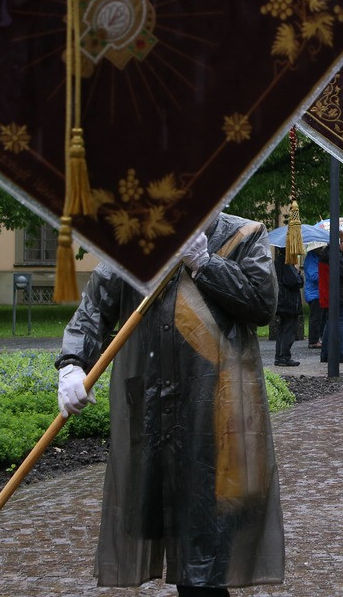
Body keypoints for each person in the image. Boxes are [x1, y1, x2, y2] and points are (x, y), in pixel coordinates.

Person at [55, 213, 283, 595]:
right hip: (154, 411)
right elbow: (95, 309)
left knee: (208, 550)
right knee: (176, 534)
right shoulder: (136, 241)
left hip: (216, 414)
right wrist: (73, 363)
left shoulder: (245, 234)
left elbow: (262, 304)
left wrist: (206, 263)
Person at [318, 234, 343, 364]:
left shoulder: (325, 255)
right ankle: (341, 353)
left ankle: (325, 353)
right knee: (341, 323)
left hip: (328, 293)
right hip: (340, 294)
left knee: (329, 323)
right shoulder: (335, 256)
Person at [274, 249, 303, 366]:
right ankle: (284, 356)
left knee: (283, 328)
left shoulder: (278, 261)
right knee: (289, 329)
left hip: (283, 301)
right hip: (289, 302)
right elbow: (294, 281)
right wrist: (299, 276)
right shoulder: (286, 263)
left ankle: (280, 356)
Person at [303, 245, 324, 348]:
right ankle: (313, 340)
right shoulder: (311, 259)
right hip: (314, 293)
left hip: (316, 292)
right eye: (320, 248)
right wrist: (325, 274)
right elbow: (313, 276)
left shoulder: (316, 258)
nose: (322, 249)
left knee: (319, 317)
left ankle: (317, 338)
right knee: (315, 318)